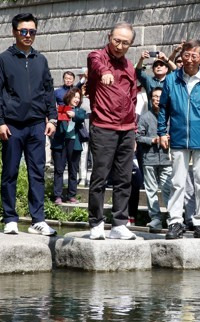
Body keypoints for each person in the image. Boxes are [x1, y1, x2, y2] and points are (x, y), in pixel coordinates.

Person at [0, 13, 58, 236]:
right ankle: (10, 217)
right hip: (12, 125)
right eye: (24, 31)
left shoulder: (41, 60)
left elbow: (48, 91)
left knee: (37, 172)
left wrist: (53, 118)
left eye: (32, 32)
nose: (28, 35)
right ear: (14, 32)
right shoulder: (3, 59)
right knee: (10, 172)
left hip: (37, 124)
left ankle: (38, 219)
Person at [157, 39, 200, 240]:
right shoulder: (171, 80)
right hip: (177, 136)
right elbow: (164, 109)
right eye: (186, 55)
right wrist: (161, 131)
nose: (189, 59)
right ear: (181, 57)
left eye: (194, 56)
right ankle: (175, 221)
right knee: (177, 181)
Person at [86, 22, 138, 240]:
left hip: (127, 128)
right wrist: (105, 71)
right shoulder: (97, 57)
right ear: (109, 37)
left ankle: (119, 222)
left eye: (125, 43)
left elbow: (133, 97)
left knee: (125, 178)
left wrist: (133, 128)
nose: (119, 46)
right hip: (103, 126)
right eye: (117, 40)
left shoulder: (129, 67)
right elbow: (95, 62)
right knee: (100, 176)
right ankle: (96, 222)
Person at [136, 87, 172, 231]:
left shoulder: (170, 116)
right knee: (151, 190)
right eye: (155, 97)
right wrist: (153, 140)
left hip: (166, 158)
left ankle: (172, 218)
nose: (157, 99)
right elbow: (138, 137)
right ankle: (155, 218)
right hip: (149, 158)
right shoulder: (145, 117)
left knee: (168, 189)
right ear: (151, 99)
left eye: (160, 96)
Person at [51, 88, 86, 205]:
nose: (76, 99)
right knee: (59, 170)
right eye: (74, 97)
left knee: (73, 170)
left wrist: (74, 114)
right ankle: (57, 196)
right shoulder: (60, 109)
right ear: (69, 97)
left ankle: (72, 195)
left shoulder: (80, 111)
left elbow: (81, 117)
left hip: (74, 143)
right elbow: (54, 119)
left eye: (78, 97)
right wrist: (58, 114)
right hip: (60, 143)